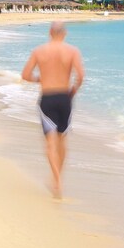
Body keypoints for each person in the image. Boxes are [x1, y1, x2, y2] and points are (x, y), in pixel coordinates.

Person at [21, 21, 85, 198]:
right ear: (65, 33)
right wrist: (73, 91)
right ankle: (58, 179)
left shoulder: (39, 51)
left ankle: (56, 181)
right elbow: (80, 76)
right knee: (62, 141)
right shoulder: (73, 51)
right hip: (65, 98)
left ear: (50, 32)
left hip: (47, 98)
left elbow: (25, 75)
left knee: (50, 143)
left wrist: (40, 80)